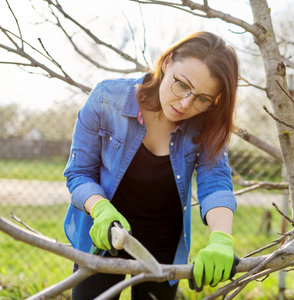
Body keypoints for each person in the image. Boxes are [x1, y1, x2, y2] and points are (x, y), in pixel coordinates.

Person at [63, 31, 239, 299]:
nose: (185, 103)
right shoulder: (105, 99)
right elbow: (79, 172)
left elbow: (215, 182)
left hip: (164, 245)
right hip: (104, 234)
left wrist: (221, 239)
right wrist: (99, 209)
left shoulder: (208, 123)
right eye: (182, 84)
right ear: (167, 62)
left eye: (202, 98)